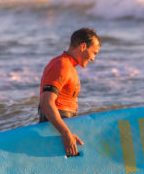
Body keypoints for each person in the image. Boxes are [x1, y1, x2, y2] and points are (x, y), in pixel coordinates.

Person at [38, 28, 101, 156]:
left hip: (62, 124)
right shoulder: (61, 66)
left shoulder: (68, 65)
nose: (93, 58)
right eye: (93, 53)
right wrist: (65, 133)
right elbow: (46, 103)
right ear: (83, 47)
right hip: (57, 128)